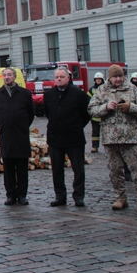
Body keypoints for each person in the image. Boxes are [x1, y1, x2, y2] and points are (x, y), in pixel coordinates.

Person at [88, 65, 137, 212]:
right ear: (109, 77)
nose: (118, 79)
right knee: (114, 170)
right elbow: (91, 109)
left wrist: (130, 107)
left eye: (120, 76)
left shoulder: (132, 88)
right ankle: (120, 197)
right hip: (110, 138)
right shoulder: (102, 90)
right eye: (115, 77)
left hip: (130, 138)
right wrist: (105, 108)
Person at [42, 66, 90, 207]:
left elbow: (86, 114)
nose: (59, 79)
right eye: (57, 77)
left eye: (62, 77)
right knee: (57, 169)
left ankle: (79, 196)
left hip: (74, 137)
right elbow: (47, 112)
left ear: (68, 78)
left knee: (78, 169)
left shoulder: (78, 94)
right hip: (55, 137)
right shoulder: (49, 95)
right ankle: (60, 196)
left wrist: (76, 125)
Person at [0, 67, 35, 206]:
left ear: (14, 77)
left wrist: (22, 125)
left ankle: (22, 195)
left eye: (9, 75)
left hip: (20, 135)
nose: (7, 77)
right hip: (6, 136)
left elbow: (31, 113)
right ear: (2, 77)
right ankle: (10, 195)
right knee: (8, 168)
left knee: (22, 167)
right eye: (5, 75)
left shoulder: (25, 93)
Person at [88, 73, 105, 153]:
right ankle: (95, 146)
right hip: (95, 115)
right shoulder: (92, 89)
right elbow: (87, 99)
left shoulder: (106, 88)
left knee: (106, 132)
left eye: (100, 79)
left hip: (104, 114)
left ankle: (107, 147)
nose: (98, 80)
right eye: (97, 79)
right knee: (95, 133)